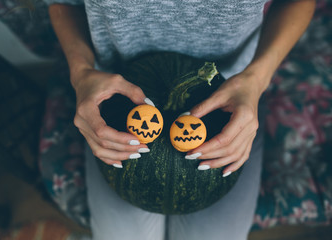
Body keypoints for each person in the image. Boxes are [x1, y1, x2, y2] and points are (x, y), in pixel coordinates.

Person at [44, 0, 316, 239]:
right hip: (114, 98)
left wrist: (257, 80)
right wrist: (81, 74)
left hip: (235, 94)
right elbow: (62, 3)